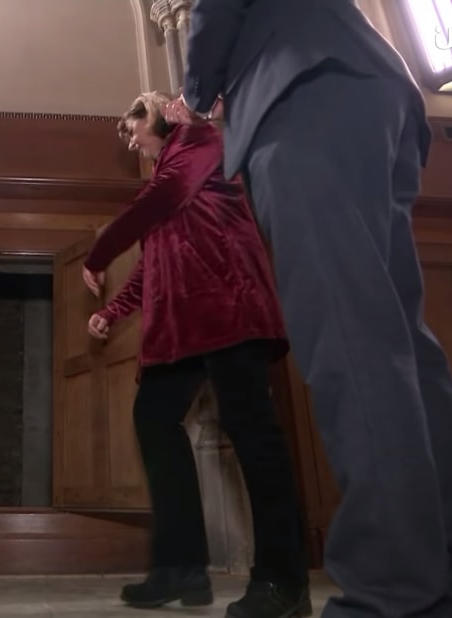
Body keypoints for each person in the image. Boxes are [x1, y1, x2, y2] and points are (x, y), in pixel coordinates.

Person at [153, 1, 452, 617]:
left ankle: (390, 593)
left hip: (300, 92)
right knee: (402, 348)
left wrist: (197, 92)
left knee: (351, 344)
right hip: (368, 89)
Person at [83, 91, 311, 618]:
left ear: (157, 114)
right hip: (178, 327)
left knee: (253, 433)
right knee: (154, 420)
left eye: (134, 127)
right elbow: (154, 262)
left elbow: (162, 200)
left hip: (227, 307)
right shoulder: (165, 177)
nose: (132, 140)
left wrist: (99, 251)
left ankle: (284, 581)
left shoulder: (201, 141)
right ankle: (179, 567)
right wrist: (112, 311)